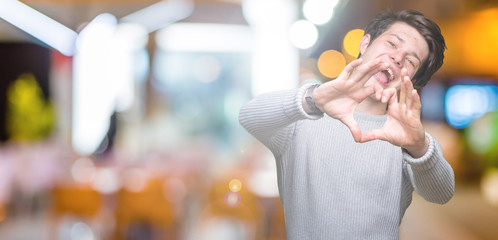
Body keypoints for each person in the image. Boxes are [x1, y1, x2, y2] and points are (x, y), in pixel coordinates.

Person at [239, 10, 454, 239]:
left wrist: (419, 147)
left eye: (411, 60)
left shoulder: (408, 138)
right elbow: (249, 117)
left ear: (414, 80)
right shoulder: (303, 118)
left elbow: (441, 194)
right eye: (392, 43)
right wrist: (315, 99)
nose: (398, 58)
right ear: (365, 43)